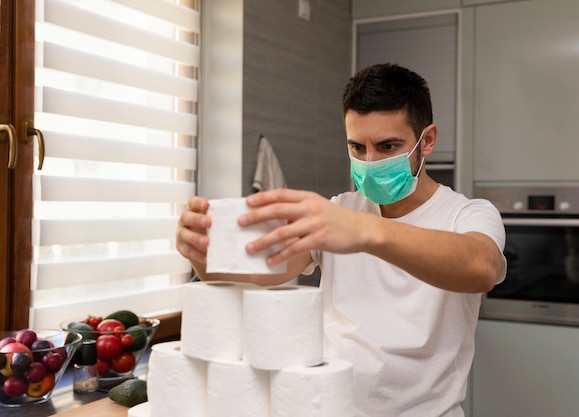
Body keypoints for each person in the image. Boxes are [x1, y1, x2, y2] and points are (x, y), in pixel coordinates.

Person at [176, 63, 506, 417]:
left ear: (426, 141)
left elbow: (481, 267)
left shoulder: (468, 214)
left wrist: (365, 231)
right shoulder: (340, 211)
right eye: (357, 147)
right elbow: (258, 274)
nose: (370, 161)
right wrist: (203, 255)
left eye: (387, 145)